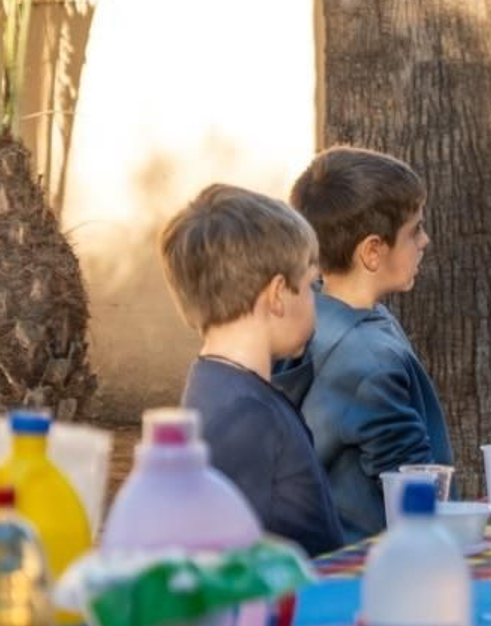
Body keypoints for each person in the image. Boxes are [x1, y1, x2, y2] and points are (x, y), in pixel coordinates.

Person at [158, 184, 345, 556]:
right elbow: (228, 564)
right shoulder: (244, 415)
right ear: (277, 295)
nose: (316, 301)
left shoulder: (218, 386)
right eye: (311, 286)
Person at [279, 146, 452, 541]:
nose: (424, 241)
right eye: (414, 231)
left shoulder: (315, 314)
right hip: (372, 562)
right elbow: (415, 488)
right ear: (372, 251)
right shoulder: (367, 361)